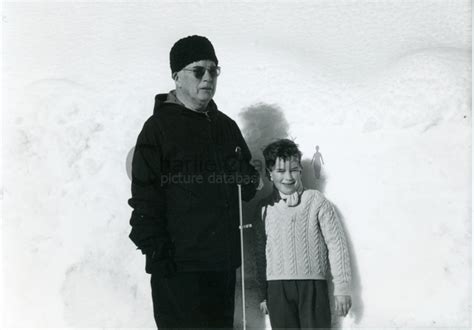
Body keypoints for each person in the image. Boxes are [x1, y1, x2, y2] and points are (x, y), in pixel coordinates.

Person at [128, 35, 260, 329]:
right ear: (176, 76)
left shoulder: (226, 127)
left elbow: (247, 185)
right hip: (178, 267)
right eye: (198, 70)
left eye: (214, 70)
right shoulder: (157, 129)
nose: (208, 78)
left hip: (221, 265)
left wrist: (247, 176)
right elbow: (145, 198)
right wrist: (158, 254)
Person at [253, 139, 352, 329]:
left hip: (313, 288)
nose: (288, 177)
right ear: (269, 174)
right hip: (277, 289)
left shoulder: (316, 201)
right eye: (281, 171)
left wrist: (342, 288)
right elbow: (260, 254)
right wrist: (263, 294)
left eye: (294, 170)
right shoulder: (264, 208)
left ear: (301, 170)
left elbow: (336, 244)